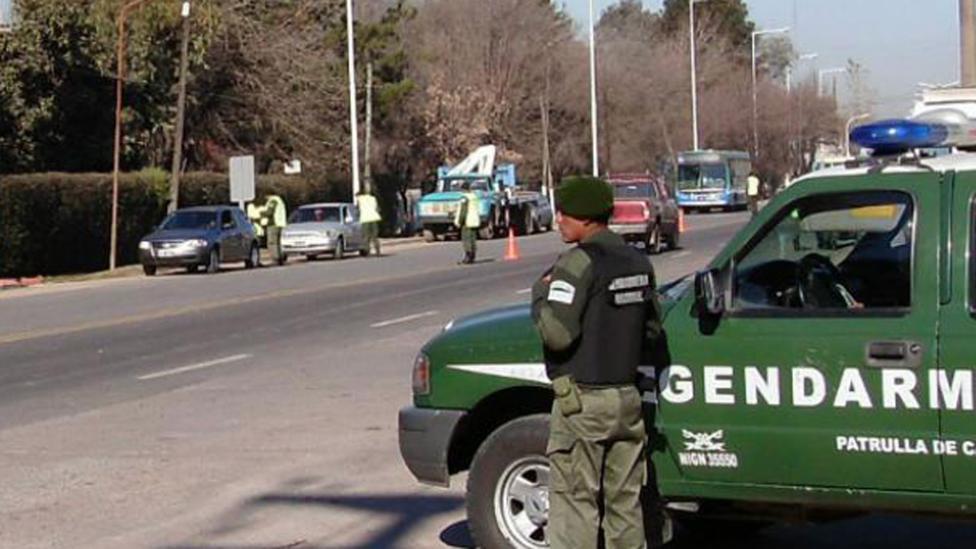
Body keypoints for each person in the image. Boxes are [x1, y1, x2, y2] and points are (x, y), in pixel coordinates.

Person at [531, 175, 666, 549]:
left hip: (583, 405)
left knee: (576, 505)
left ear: (586, 219)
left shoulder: (577, 263)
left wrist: (540, 298)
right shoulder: (637, 261)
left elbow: (558, 335)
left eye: (565, 213)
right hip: (627, 401)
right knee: (626, 506)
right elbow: (653, 331)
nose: (558, 219)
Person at [454, 181, 481, 264]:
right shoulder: (474, 196)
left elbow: (463, 211)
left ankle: (468, 257)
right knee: (473, 238)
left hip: (467, 221)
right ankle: (472, 256)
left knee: (466, 239)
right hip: (474, 220)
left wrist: (459, 221)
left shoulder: (464, 198)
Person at [356, 187, 383, 257]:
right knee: (375, 236)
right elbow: (377, 209)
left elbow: (358, 210)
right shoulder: (373, 198)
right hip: (374, 218)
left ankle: (367, 252)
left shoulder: (360, 199)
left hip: (365, 219)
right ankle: (378, 251)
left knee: (366, 237)